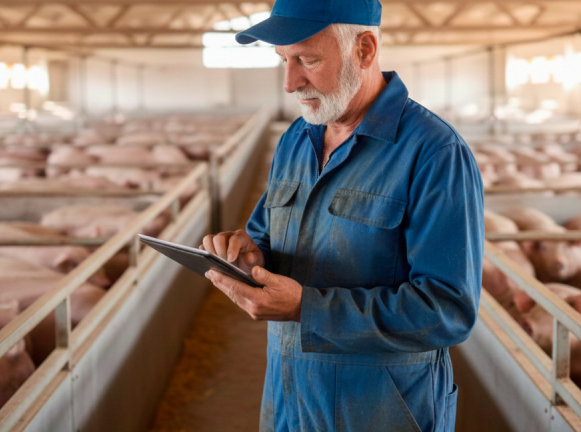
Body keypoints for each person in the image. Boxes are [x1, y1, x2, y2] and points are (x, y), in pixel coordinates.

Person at [200, 0, 484, 430]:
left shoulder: (434, 152)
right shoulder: (297, 138)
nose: (290, 83)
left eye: (307, 60)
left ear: (365, 49)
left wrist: (308, 309)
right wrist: (248, 255)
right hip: (288, 394)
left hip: (379, 408)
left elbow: (447, 309)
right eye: (283, 61)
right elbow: (267, 237)